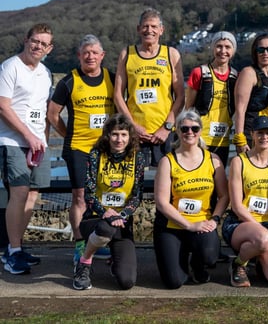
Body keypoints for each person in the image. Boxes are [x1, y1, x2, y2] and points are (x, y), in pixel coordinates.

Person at [48, 34, 116, 265]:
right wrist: (68, 135)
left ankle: (98, 242)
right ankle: (79, 245)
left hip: (107, 149)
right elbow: (52, 114)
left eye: (94, 52)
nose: (90, 56)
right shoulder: (69, 81)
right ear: (79, 56)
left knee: (104, 196)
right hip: (78, 147)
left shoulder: (112, 79)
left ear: (102, 56)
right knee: (80, 197)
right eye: (85, 52)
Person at [153, 109, 229, 289]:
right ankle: (180, 254)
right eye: (184, 128)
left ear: (200, 131)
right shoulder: (167, 161)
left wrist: (215, 219)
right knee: (174, 282)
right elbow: (162, 202)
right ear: (177, 131)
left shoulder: (213, 160)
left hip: (201, 223)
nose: (190, 133)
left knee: (210, 255)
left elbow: (224, 196)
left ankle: (197, 263)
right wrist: (188, 225)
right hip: (172, 225)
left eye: (194, 129)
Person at [0, 23, 54, 275]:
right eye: (35, 41)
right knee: (19, 194)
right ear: (26, 39)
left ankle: (16, 248)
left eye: (44, 44)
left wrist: (41, 140)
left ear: (49, 49)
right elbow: (3, 107)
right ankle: (11, 251)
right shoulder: (10, 67)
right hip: (13, 142)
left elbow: (42, 112)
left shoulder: (46, 73)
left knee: (32, 196)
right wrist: (28, 136)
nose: (38, 46)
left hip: (38, 144)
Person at [72, 114, 147, 290]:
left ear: (130, 137)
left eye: (123, 135)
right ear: (107, 135)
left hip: (122, 221)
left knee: (126, 281)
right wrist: (106, 212)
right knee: (106, 227)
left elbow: (137, 195)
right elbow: (89, 194)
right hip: (96, 219)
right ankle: (84, 263)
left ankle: (115, 260)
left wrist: (123, 214)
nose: (119, 139)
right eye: (114, 134)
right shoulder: (96, 154)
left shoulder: (138, 157)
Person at [113, 8, 185, 166]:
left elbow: (180, 96)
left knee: (167, 184)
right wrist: (132, 126)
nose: (149, 30)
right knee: (134, 185)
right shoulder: (127, 54)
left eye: (153, 26)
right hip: (135, 133)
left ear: (161, 30)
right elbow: (118, 95)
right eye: (145, 26)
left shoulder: (171, 54)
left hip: (165, 133)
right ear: (138, 29)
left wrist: (166, 128)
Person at [223, 116, 268, 288]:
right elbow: (236, 205)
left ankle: (258, 259)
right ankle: (238, 263)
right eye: (260, 133)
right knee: (263, 239)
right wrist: (261, 230)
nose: (264, 137)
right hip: (241, 223)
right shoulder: (239, 162)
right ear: (252, 134)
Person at [185, 31, 238, 165]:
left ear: (233, 50)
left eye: (227, 47)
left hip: (222, 139)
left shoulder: (236, 77)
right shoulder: (199, 73)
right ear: (213, 48)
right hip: (200, 138)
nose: (223, 51)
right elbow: (188, 108)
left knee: (218, 178)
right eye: (219, 46)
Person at [233, 33, 268, 158]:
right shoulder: (249, 73)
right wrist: (240, 138)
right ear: (255, 53)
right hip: (254, 137)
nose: (265, 53)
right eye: (261, 50)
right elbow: (240, 109)